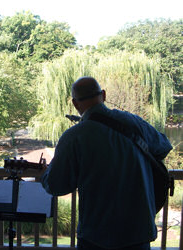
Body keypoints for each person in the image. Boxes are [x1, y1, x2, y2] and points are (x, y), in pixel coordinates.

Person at [40, 76, 172, 249]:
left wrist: (45, 174)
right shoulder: (134, 122)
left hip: (97, 235)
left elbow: (57, 186)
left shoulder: (74, 136)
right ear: (103, 94)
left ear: (75, 103)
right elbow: (163, 147)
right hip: (138, 232)